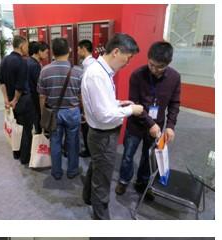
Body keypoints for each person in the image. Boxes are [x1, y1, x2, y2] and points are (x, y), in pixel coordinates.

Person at [81, 33, 144, 219]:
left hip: (100, 134)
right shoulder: (97, 75)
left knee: (97, 167)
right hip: (103, 135)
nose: (128, 63)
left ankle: (87, 197)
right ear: (116, 52)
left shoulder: (102, 71)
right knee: (103, 180)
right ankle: (101, 218)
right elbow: (103, 115)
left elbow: (103, 105)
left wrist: (118, 104)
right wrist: (131, 110)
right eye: (128, 57)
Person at [116, 41, 181, 198]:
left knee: (149, 156)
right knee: (128, 155)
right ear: (148, 58)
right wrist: (150, 123)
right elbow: (134, 103)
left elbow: (174, 103)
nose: (154, 70)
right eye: (151, 64)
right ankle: (124, 180)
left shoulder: (174, 77)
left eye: (160, 67)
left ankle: (142, 182)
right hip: (136, 124)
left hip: (157, 126)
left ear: (169, 63)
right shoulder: (137, 75)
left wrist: (170, 126)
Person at [39, 37, 83, 180]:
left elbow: (42, 96)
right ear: (69, 51)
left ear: (52, 52)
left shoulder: (44, 71)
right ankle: (72, 171)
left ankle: (56, 172)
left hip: (53, 113)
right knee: (73, 142)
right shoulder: (78, 71)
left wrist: (43, 114)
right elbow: (81, 96)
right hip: (72, 112)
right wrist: (83, 112)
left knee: (55, 142)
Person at [0, 35, 34, 165]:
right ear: (21, 46)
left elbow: (2, 82)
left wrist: (6, 100)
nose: (28, 49)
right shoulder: (22, 62)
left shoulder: (5, 60)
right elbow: (20, 86)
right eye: (27, 46)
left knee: (15, 127)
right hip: (22, 101)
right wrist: (15, 100)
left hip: (10, 101)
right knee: (26, 129)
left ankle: (16, 153)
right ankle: (25, 158)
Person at [77, 39, 95, 157]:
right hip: (91, 102)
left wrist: (83, 107)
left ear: (83, 49)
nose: (77, 52)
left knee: (86, 127)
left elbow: (85, 88)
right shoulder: (92, 63)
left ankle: (89, 150)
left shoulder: (88, 66)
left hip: (88, 103)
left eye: (78, 49)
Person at [26, 41, 44, 134]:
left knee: (35, 119)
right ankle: (39, 136)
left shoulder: (28, 61)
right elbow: (39, 84)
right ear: (38, 51)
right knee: (38, 118)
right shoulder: (35, 65)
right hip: (35, 97)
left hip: (29, 96)